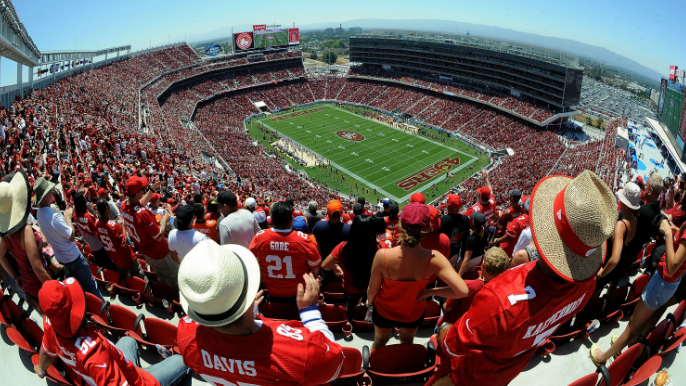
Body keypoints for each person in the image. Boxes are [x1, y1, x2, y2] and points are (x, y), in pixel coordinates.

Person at [436, 170, 616, 386]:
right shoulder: (588, 284)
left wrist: (443, 328)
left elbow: (449, 346)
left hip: (470, 374)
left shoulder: (499, 298)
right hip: (509, 369)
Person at [176, 240, 345, 386]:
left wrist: (249, 312)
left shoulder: (185, 334)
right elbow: (335, 358)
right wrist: (310, 312)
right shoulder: (301, 352)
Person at [34, 278, 192, 386]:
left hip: (122, 369)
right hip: (139, 382)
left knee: (128, 340)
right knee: (185, 362)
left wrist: (42, 369)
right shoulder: (94, 354)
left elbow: (47, 351)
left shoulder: (50, 325)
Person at [367, 202, 469, 351]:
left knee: (380, 341)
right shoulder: (435, 258)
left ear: (401, 225)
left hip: (384, 311)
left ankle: (374, 370)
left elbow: (372, 289)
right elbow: (462, 291)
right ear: (427, 228)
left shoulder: (382, 255)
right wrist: (430, 292)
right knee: (407, 342)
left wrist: (370, 305)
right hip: (413, 312)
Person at [590, 216, 686, 365]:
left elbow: (673, 267)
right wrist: (675, 231)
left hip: (663, 282)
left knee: (632, 325)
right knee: (640, 322)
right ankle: (622, 345)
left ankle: (602, 357)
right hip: (665, 283)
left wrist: (668, 234)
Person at [33, 177, 104, 302]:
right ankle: (104, 310)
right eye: (49, 191)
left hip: (61, 258)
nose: (52, 192)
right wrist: (67, 217)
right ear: (45, 197)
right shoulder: (55, 216)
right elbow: (71, 237)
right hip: (73, 258)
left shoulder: (39, 213)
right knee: (91, 285)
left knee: (80, 286)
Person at [0, 170, 57, 314]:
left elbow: (0, 256)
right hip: (41, 284)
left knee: (46, 317)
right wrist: (57, 289)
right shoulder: (25, 231)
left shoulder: (6, 235)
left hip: (26, 284)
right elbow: (38, 269)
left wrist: (15, 277)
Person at [250, 202, 321, 305]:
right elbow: (315, 267)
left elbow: (253, 266)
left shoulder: (259, 238)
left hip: (271, 290)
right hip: (298, 292)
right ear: (291, 220)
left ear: (272, 219)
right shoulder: (303, 239)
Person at [121, 175, 178, 287]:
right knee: (174, 275)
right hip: (159, 252)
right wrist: (165, 220)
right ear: (138, 193)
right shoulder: (142, 214)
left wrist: (152, 189)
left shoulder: (124, 206)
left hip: (146, 252)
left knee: (161, 276)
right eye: (143, 189)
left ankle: (166, 292)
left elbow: (140, 202)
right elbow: (159, 236)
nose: (144, 191)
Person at [321, 215, 379, 323]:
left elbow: (325, 265)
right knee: (371, 304)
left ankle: (350, 320)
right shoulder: (381, 247)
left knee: (351, 305)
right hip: (372, 288)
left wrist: (335, 266)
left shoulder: (343, 247)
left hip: (350, 288)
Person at [596, 182, 640, 292]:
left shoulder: (621, 225)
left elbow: (615, 259)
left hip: (606, 265)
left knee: (593, 290)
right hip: (611, 271)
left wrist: (601, 273)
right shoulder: (634, 219)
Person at [94, 198, 147, 280]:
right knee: (140, 277)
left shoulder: (97, 223)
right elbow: (124, 242)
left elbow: (99, 238)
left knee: (125, 279)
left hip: (114, 258)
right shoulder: (113, 226)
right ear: (107, 209)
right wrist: (123, 228)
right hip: (126, 257)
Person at [73, 191, 117, 271]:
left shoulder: (75, 215)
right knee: (110, 266)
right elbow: (97, 231)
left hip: (92, 246)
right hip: (99, 244)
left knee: (102, 266)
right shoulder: (88, 216)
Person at [312, 200, 350, 285]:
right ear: (341, 213)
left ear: (327, 213)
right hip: (343, 266)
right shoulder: (348, 230)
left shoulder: (319, 226)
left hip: (324, 266)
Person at [440, 194, 471, 263]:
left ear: (448, 206)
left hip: (444, 253)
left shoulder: (443, 221)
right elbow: (466, 234)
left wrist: (441, 213)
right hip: (457, 250)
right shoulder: (465, 219)